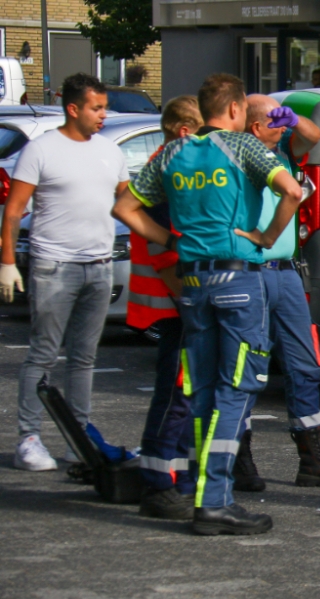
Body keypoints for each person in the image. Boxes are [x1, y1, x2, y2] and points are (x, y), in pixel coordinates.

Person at [113, 73, 302, 536]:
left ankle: (204, 493)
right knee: (238, 388)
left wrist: (169, 239)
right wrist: (267, 237)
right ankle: (215, 500)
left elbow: (124, 208)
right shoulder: (244, 148)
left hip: (194, 280)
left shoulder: (172, 153)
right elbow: (293, 191)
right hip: (238, 276)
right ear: (237, 110)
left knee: (202, 391)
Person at [0, 73, 130, 472]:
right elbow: (14, 210)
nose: (103, 115)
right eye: (96, 107)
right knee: (43, 352)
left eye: (105, 107)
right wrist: (7, 262)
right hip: (53, 266)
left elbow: (128, 203)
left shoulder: (111, 151)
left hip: (99, 265)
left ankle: (80, 440)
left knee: (84, 358)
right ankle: (29, 438)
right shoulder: (41, 150)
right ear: (73, 109)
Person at [238, 93, 320, 490]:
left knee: (305, 365)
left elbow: (314, 133)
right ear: (256, 127)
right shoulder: (242, 154)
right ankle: (240, 458)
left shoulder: (285, 152)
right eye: (274, 117)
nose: (283, 123)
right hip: (252, 271)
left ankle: (313, 459)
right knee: (249, 369)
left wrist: (290, 119)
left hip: (285, 272)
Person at [127, 96, 202, 519]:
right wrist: (189, 303)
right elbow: (164, 250)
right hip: (177, 306)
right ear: (183, 131)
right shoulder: (164, 175)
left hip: (178, 304)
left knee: (184, 396)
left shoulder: (168, 169)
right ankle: (157, 484)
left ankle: (175, 479)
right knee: (174, 395)